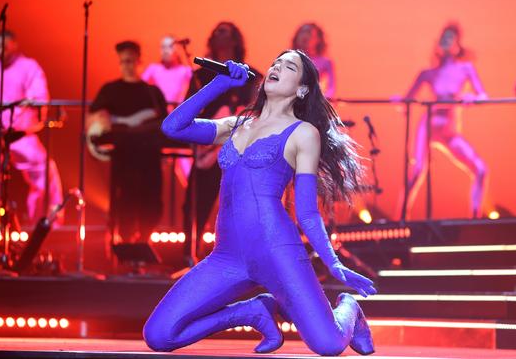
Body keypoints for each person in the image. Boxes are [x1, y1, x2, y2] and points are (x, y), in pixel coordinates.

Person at [143, 50, 377, 356]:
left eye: (289, 66)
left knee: (329, 344)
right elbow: (172, 127)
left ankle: (349, 308)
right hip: (227, 257)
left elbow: (307, 214)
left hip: (278, 253)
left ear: (302, 88)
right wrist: (219, 84)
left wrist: (333, 264)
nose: (277, 67)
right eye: (275, 63)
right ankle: (252, 312)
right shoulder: (237, 124)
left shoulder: (303, 134)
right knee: (159, 335)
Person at [0, 30, 63, 224]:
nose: (0, 52)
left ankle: (46, 223)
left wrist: (28, 104)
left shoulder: (29, 67)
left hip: (20, 134)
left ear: (14, 45)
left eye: (4, 47)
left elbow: (38, 94)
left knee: (44, 170)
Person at [182, 22, 261, 265]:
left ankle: (242, 255)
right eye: (216, 31)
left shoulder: (251, 76)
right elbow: (187, 109)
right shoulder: (201, 75)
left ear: (236, 39)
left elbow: (259, 112)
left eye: (225, 31)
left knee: (239, 202)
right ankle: (190, 253)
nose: (220, 35)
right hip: (207, 148)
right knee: (195, 203)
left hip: (238, 148)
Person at [401, 23, 488, 219]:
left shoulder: (466, 68)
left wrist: (472, 98)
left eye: (450, 38)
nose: (446, 41)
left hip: (450, 130)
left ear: (458, 43)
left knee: (481, 169)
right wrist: (401, 102)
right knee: (416, 172)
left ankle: (476, 218)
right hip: (428, 126)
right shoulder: (428, 73)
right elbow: (407, 99)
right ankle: (400, 219)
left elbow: (482, 94)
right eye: (443, 38)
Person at [88, 41, 167, 242]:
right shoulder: (110, 89)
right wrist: (102, 118)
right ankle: (123, 243)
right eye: (122, 61)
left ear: (139, 61)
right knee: (124, 200)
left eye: (130, 60)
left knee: (151, 201)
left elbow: (164, 123)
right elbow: (93, 117)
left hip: (148, 155)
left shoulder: (152, 92)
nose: (126, 65)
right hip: (123, 155)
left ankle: (144, 242)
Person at [141, 34, 192, 108]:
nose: (165, 51)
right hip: (159, 110)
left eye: (170, 47)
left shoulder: (186, 71)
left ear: (178, 49)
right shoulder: (153, 69)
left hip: (179, 111)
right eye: (163, 47)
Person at [292, 23, 336, 98]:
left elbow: (331, 89)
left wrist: (321, 100)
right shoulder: (288, 59)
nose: (305, 36)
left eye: (309, 32)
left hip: (315, 104)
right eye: (302, 32)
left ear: (318, 39)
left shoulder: (326, 62)